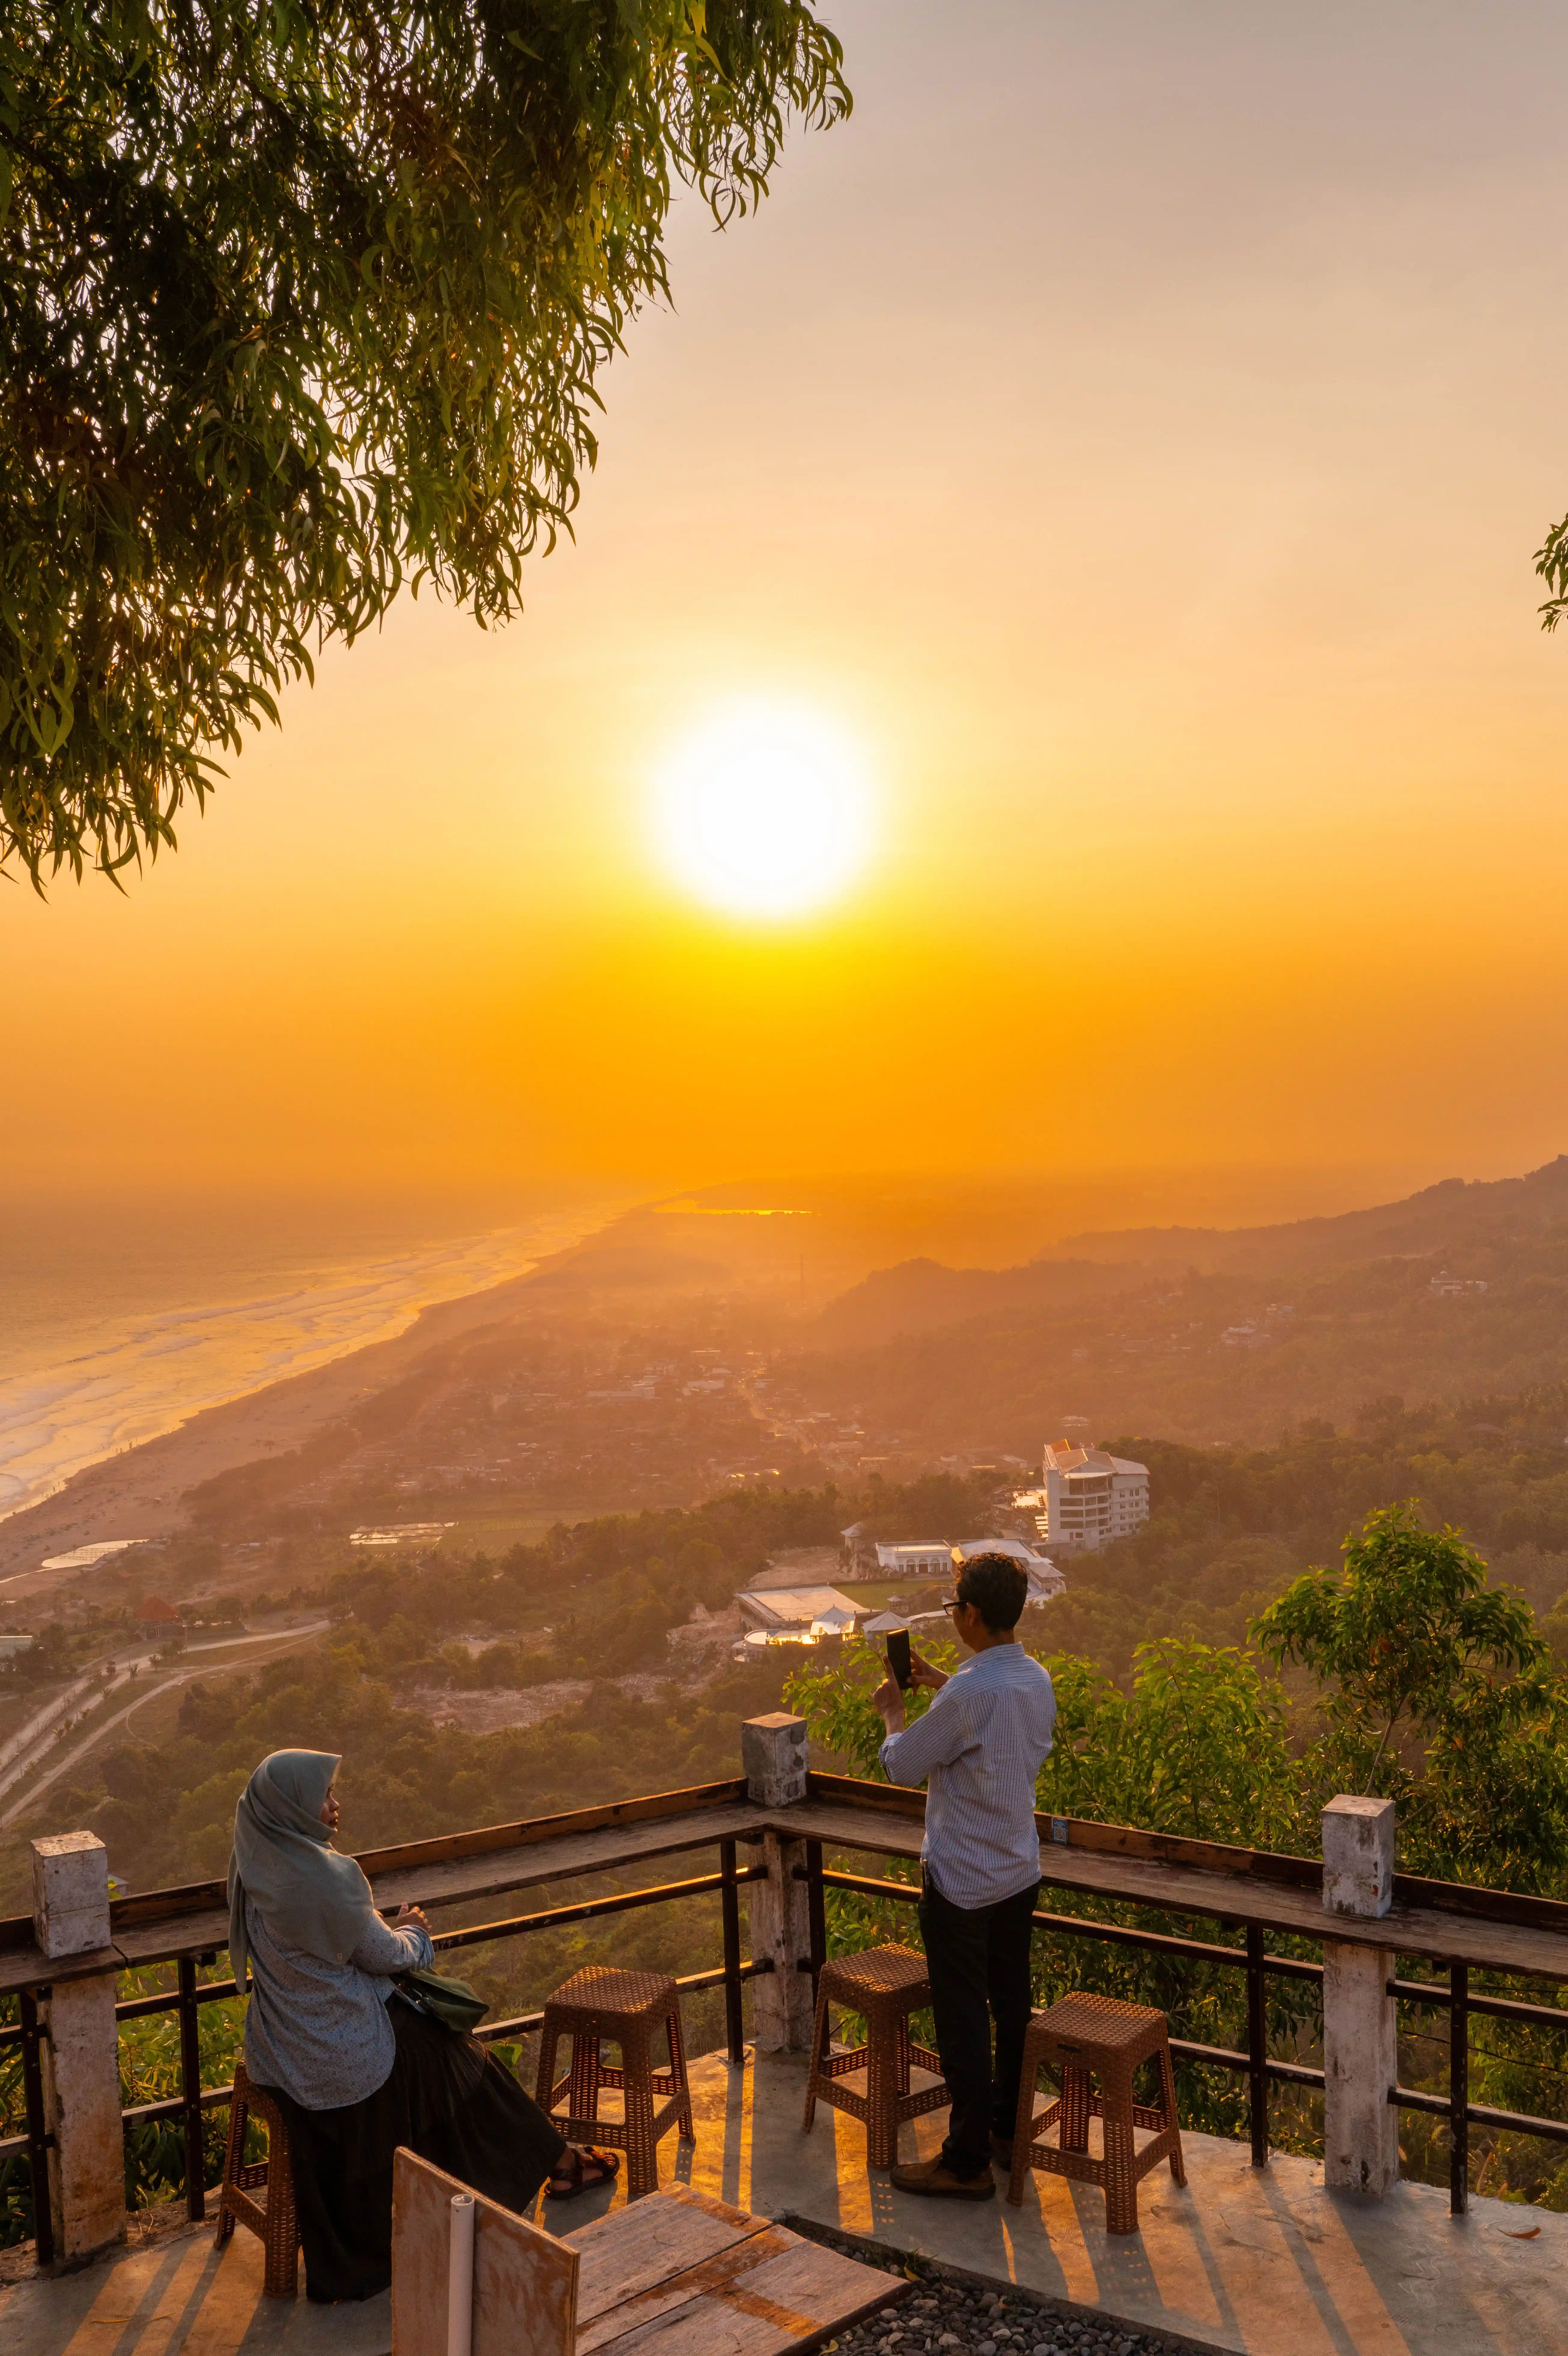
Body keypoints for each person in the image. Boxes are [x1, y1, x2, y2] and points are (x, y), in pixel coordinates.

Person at [228, 1749, 615, 2302]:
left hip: (281, 2046)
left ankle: (544, 2162)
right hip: (338, 2051)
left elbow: (333, 1944)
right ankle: (552, 2165)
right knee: (458, 2052)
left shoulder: (255, 1863)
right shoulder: (323, 1880)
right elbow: (385, 1953)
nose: (335, 1805)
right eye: (325, 1797)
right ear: (293, 1808)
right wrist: (415, 1931)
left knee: (442, 2050)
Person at [873, 1553, 1056, 2200]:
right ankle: (1008, 2131)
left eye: (955, 1608)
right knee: (1011, 2008)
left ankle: (965, 2157)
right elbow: (994, 1721)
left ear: (971, 1614)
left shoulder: (970, 1693)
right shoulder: (1033, 1679)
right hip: (1017, 1870)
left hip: (961, 1881)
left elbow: (902, 1765)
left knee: (963, 2019)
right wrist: (943, 1682)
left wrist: (894, 1713)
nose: (954, 1617)